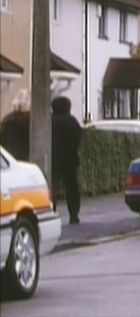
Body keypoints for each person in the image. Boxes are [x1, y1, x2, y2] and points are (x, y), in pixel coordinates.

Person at [51, 96, 83, 224]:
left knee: (52, 187)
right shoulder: (72, 121)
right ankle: (73, 214)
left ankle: (51, 212)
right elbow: (78, 138)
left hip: (53, 159)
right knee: (72, 188)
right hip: (70, 160)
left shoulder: (50, 120)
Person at [0, 89, 31, 161]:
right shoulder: (32, 121)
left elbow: (2, 141)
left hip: (10, 158)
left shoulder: (7, 120)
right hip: (27, 158)